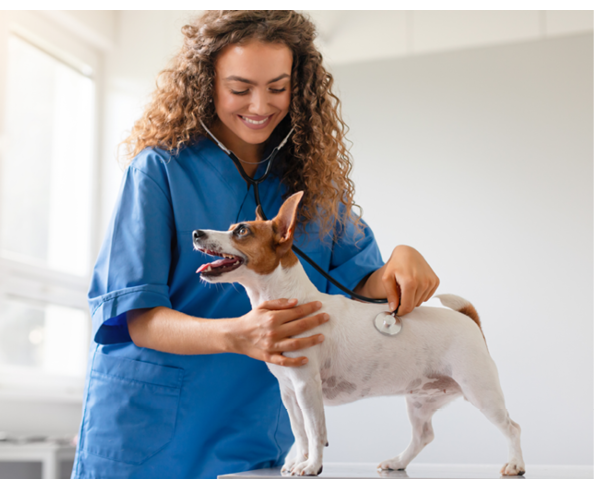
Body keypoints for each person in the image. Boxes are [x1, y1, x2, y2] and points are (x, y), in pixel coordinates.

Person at [70, 11, 439, 479]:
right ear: (208, 84)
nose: (260, 104)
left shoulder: (312, 183)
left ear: (298, 86)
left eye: (277, 87)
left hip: (254, 432)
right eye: (240, 88)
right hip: (148, 432)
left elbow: (362, 286)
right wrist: (238, 334)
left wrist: (403, 260)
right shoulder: (159, 170)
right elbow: (135, 316)